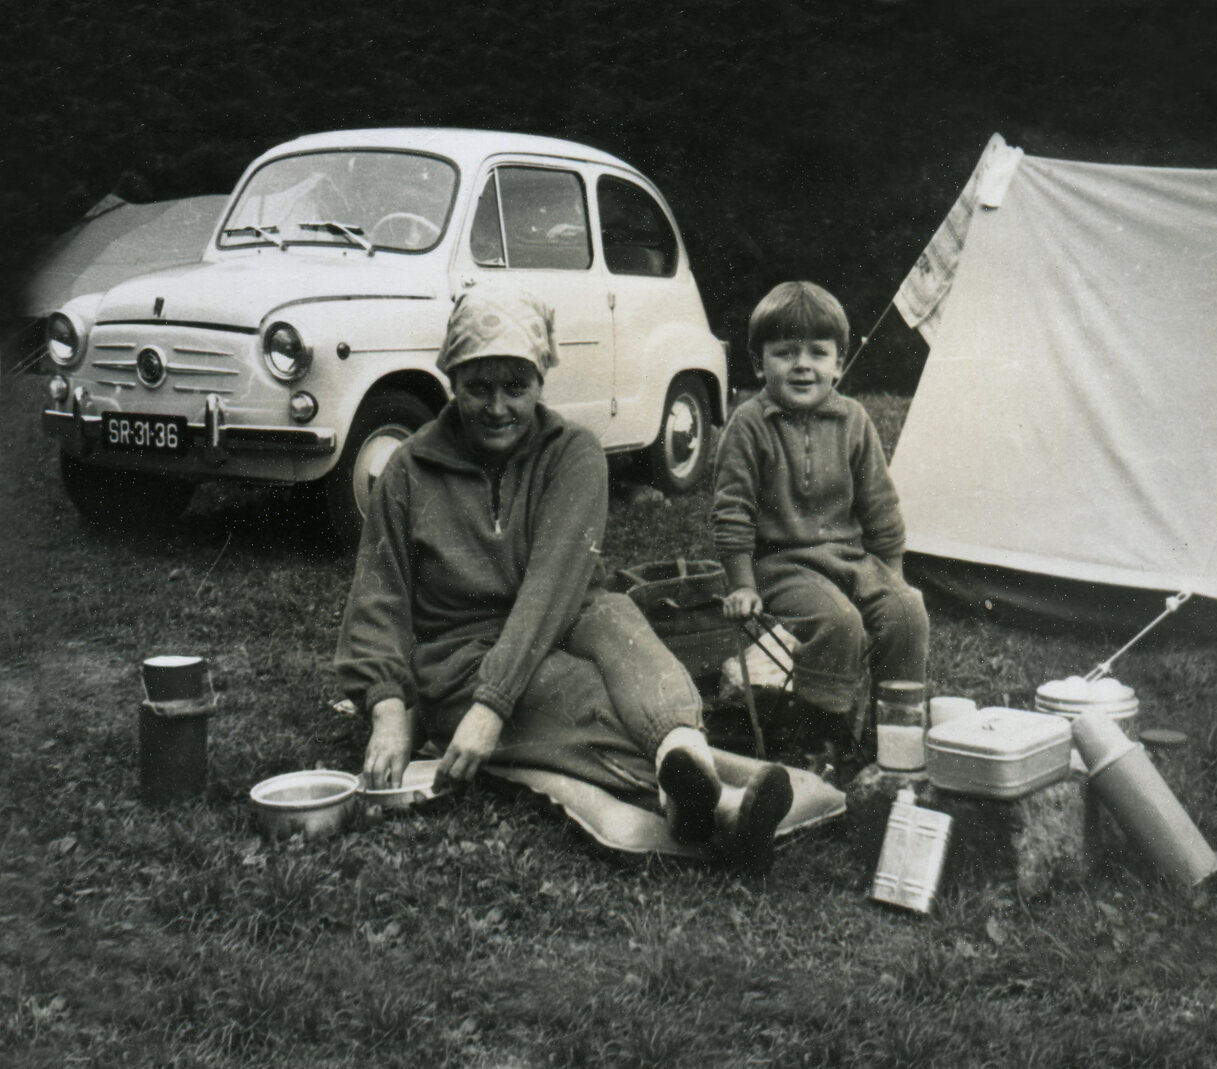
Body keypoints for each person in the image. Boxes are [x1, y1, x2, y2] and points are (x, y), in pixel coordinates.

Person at [335, 285, 793, 867]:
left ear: (540, 383)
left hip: (563, 612)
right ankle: (712, 802)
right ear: (451, 383)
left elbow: (555, 583)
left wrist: (491, 710)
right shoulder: (407, 470)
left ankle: (682, 750)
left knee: (616, 618)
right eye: (478, 387)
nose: (497, 406)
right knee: (581, 697)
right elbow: (378, 600)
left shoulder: (573, 452)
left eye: (515, 387)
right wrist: (389, 710)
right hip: (459, 656)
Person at [713, 281, 929, 745]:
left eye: (818, 353)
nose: (803, 366)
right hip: (780, 566)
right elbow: (732, 512)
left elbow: (880, 506)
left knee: (907, 612)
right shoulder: (750, 424)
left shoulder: (853, 420)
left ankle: (893, 740)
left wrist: (891, 575)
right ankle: (821, 736)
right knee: (839, 623)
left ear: (838, 362)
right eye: (785, 353)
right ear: (758, 362)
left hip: (849, 560)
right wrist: (742, 584)